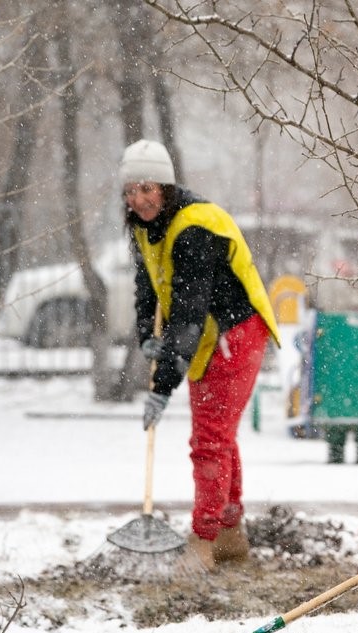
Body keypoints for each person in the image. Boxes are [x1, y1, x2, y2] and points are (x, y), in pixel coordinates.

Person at [120, 139, 281, 571]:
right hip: (206, 335)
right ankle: (229, 536)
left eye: (147, 188)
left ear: (166, 187)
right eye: (130, 191)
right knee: (219, 435)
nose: (138, 199)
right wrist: (145, 338)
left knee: (209, 438)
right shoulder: (144, 227)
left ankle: (203, 543)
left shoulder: (194, 228)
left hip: (234, 333)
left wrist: (161, 385)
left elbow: (189, 312)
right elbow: (147, 287)